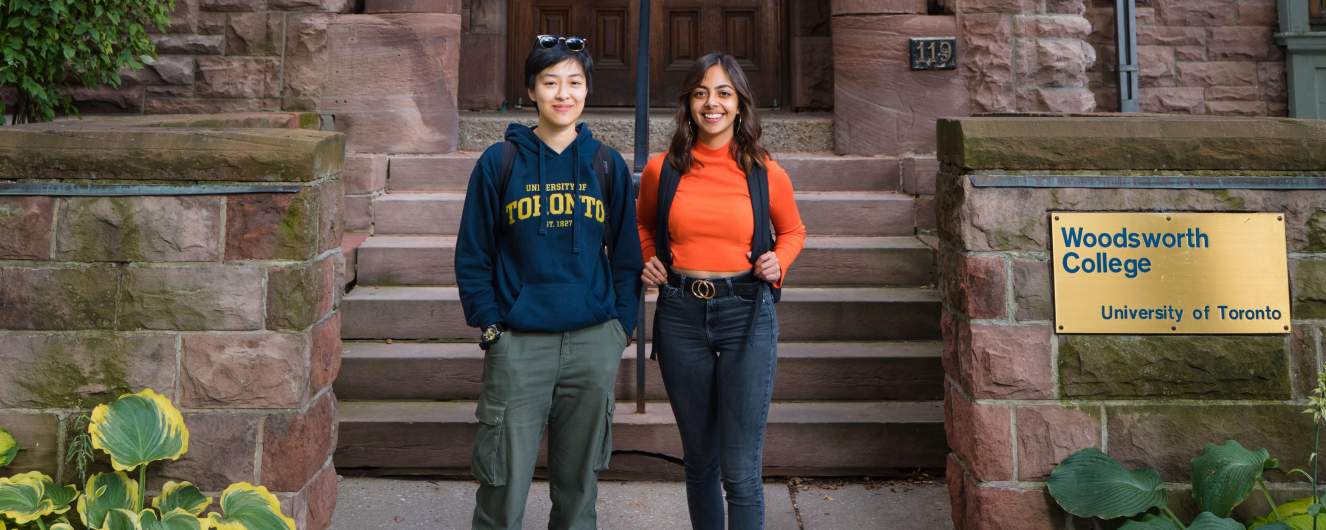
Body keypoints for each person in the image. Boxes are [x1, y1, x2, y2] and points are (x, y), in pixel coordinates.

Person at [454, 34, 643, 530]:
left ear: (587, 91)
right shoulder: (500, 162)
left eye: (574, 82)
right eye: (551, 82)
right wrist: (491, 325)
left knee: (580, 491)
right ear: (531, 91)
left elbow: (626, 256)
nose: (564, 93)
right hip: (519, 346)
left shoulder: (605, 164)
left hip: (591, 342)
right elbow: (473, 254)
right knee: (501, 491)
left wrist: (620, 328)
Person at [636, 51, 807, 530]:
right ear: (689, 103)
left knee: (740, 468)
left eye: (723, 93)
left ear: (739, 105)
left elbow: (793, 231)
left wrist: (780, 262)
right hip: (679, 313)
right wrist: (650, 259)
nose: (712, 103)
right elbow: (643, 223)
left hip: (746, 312)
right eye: (701, 93)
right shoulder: (661, 170)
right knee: (700, 462)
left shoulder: (765, 171)